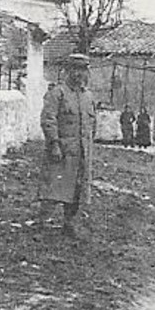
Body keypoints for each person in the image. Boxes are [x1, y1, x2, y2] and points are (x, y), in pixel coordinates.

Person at [39, 53, 97, 237]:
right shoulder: (57, 93)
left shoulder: (88, 96)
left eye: (82, 70)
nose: (78, 74)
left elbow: (92, 124)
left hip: (81, 152)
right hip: (62, 150)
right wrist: (54, 144)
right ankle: (41, 221)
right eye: (75, 70)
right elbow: (48, 120)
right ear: (67, 71)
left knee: (77, 190)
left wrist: (89, 147)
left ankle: (69, 223)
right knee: (53, 188)